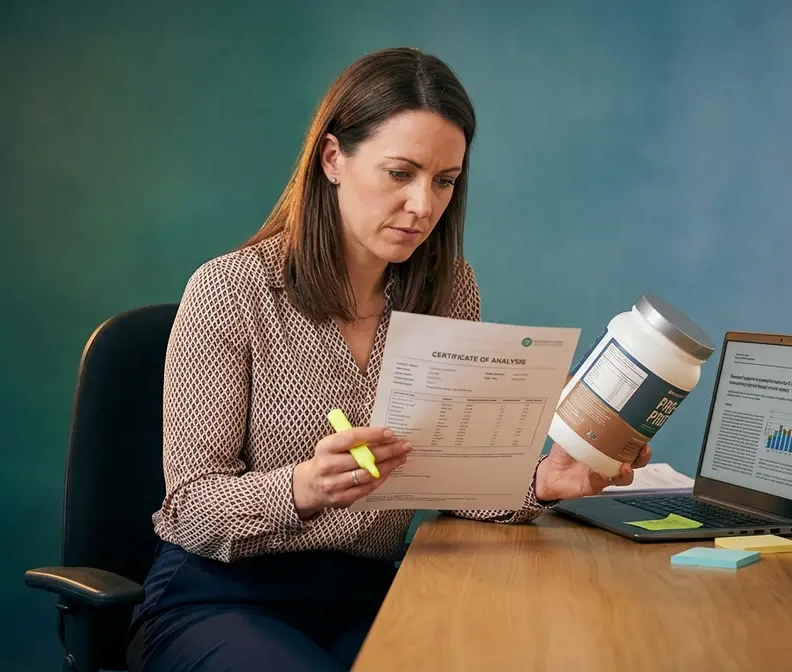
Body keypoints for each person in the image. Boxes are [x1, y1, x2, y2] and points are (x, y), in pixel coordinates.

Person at [126, 46, 652, 671]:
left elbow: (453, 480)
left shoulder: (450, 290)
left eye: (444, 181)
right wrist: (301, 487)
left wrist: (542, 482)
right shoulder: (230, 289)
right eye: (401, 173)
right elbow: (189, 508)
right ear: (333, 159)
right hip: (220, 597)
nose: (424, 206)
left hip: (368, 596)